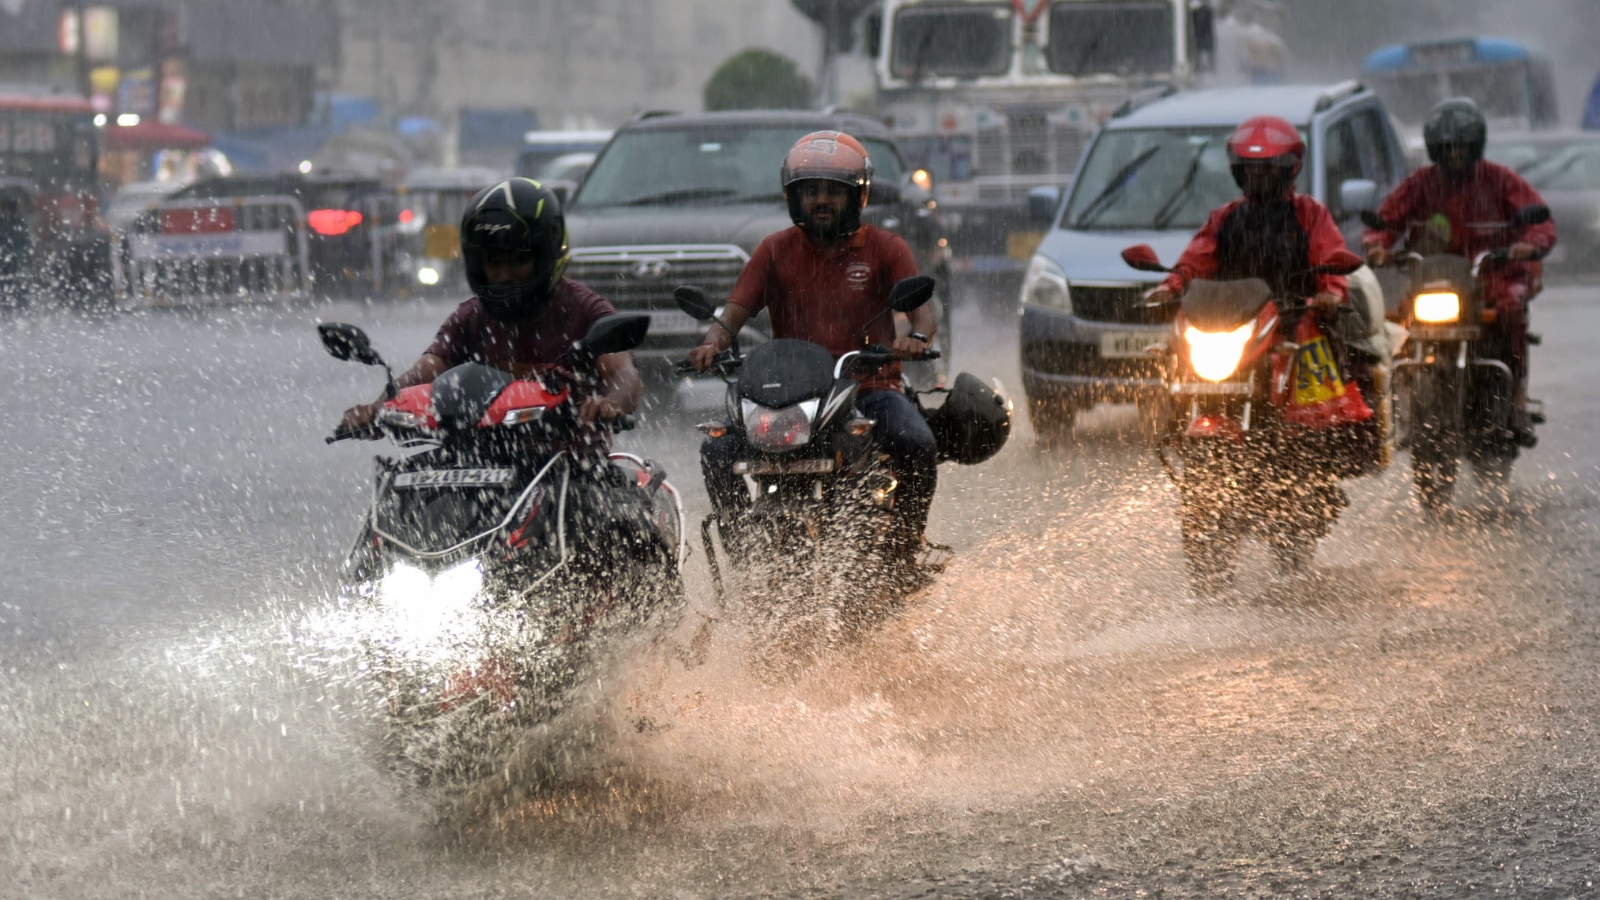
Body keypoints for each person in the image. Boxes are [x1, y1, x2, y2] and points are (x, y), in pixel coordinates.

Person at [687, 130, 939, 559]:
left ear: (858, 196)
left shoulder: (886, 248)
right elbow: (733, 314)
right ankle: (743, 551)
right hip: (789, 399)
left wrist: (913, 338)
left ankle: (904, 548)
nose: (821, 201)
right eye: (811, 192)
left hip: (868, 389)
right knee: (716, 451)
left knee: (917, 444)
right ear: (792, 196)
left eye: (832, 192)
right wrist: (711, 342)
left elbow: (924, 315)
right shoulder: (773, 251)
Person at [1146, 114, 1376, 462]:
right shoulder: (1224, 217)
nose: (1259, 177)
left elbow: (1330, 255)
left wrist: (1330, 292)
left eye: (1268, 168)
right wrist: (1170, 286)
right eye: (1251, 168)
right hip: (1233, 323)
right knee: (1173, 357)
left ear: (1288, 170)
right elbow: (1195, 260)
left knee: (1328, 357)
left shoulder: (1309, 214)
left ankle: (1323, 451)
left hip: (1292, 318)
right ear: (1239, 171)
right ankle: (1177, 425)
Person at [337, 177, 640, 438]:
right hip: (478, 458)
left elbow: (625, 375)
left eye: (518, 261)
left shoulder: (584, 309)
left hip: (569, 464)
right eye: (494, 262)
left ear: (547, 254)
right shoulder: (471, 316)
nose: (504, 275)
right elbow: (426, 370)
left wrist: (611, 402)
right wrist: (379, 408)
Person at [1362, 97, 1557, 440]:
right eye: (1448, 148)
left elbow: (1539, 219)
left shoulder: (1500, 180)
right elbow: (1386, 220)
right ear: (1435, 150)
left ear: (1476, 147)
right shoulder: (1419, 184)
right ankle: (1403, 402)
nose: (1456, 155)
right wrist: (1377, 246)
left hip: (1492, 276)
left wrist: (1529, 243)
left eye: (1463, 148)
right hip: (1436, 278)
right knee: (1401, 323)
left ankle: (1516, 397)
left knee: (1511, 309)